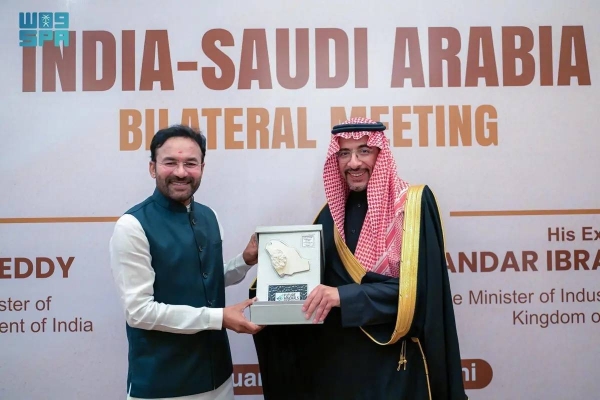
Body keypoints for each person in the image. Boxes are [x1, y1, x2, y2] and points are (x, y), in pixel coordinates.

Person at [250, 117, 468, 399]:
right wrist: (267, 290)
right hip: (339, 369)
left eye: (364, 150)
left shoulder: (412, 206)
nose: (353, 163)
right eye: (344, 153)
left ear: (381, 153)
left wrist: (343, 296)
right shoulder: (331, 213)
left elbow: (422, 293)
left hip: (392, 365)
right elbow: (310, 283)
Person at [110, 124, 261, 400]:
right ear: (153, 168)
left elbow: (204, 278)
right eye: (170, 162)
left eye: (190, 163)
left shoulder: (209, 216)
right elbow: (139, 312)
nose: (181, 172)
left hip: (219, 379)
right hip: (164, 385)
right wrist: (219, 318)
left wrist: (245, 261)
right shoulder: (132, 225)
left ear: (202, 167)